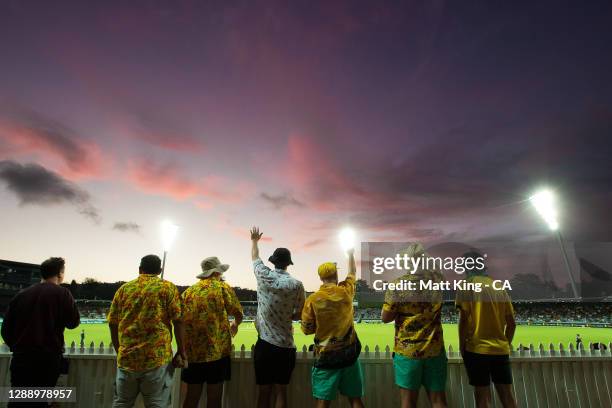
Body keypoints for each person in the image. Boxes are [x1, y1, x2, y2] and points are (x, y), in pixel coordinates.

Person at [108, 254, 186, 408]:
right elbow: (179, 321)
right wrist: (181, 351)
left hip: (127, 359)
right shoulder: (167, 287)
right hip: (156, 359)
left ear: (139, 269)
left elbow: (112, 323)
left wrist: (120, 351)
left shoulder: (124, 289)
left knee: (121, 403)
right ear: (160, 270)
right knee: (157, 404)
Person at [1, 257, 80, 406]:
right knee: (40, 402)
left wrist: (18, 347)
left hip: (21, 358)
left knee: (18, 401)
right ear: (60, 273)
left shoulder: (21, 295)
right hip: (47, 359)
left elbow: (6, 330)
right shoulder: (63, 294)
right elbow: (73, 323)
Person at [381, 243, 447, 408]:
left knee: (408, 402)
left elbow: (385, 318)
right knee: (438, 400)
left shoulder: (397, 285)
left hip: (408, 351)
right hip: (434, 348)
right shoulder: (437, 281)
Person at [301, 249, 365, 408]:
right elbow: (352, 272)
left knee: (323, 402)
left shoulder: (313, 300)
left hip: (326, 357)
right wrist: (350, 255)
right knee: (355, 400)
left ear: (320, 277)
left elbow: (307, 329)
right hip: (349, 355)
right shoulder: (346, 292)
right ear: (336, 275)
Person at [250, 226, 305, 408]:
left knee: (264, 392)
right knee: (281, 392)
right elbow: (299, 314)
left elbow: (255, 257)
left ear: (273, 262)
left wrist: (255, 241)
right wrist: (287, 316)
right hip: (285, 346)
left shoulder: (264, 276)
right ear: (288, 263)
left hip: (265, 345)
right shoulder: (297, 285)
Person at [456, 251, 517, 408]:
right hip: (500, 350)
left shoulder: (466, 285)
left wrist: (462, 346)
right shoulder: (498, 286)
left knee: (482, 399)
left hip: (477, 349)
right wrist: (505, 343)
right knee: (508, 397)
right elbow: (512, 324)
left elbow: (463, 321)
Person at [181, 257, 244, 408]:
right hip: (217, 352)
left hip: (193, 353)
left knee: (191, 397)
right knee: (214, 398)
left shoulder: (188, 292)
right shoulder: (222, 287)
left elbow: (179, 319)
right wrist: (235, 324)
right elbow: (238, 312)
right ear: (217, 272)